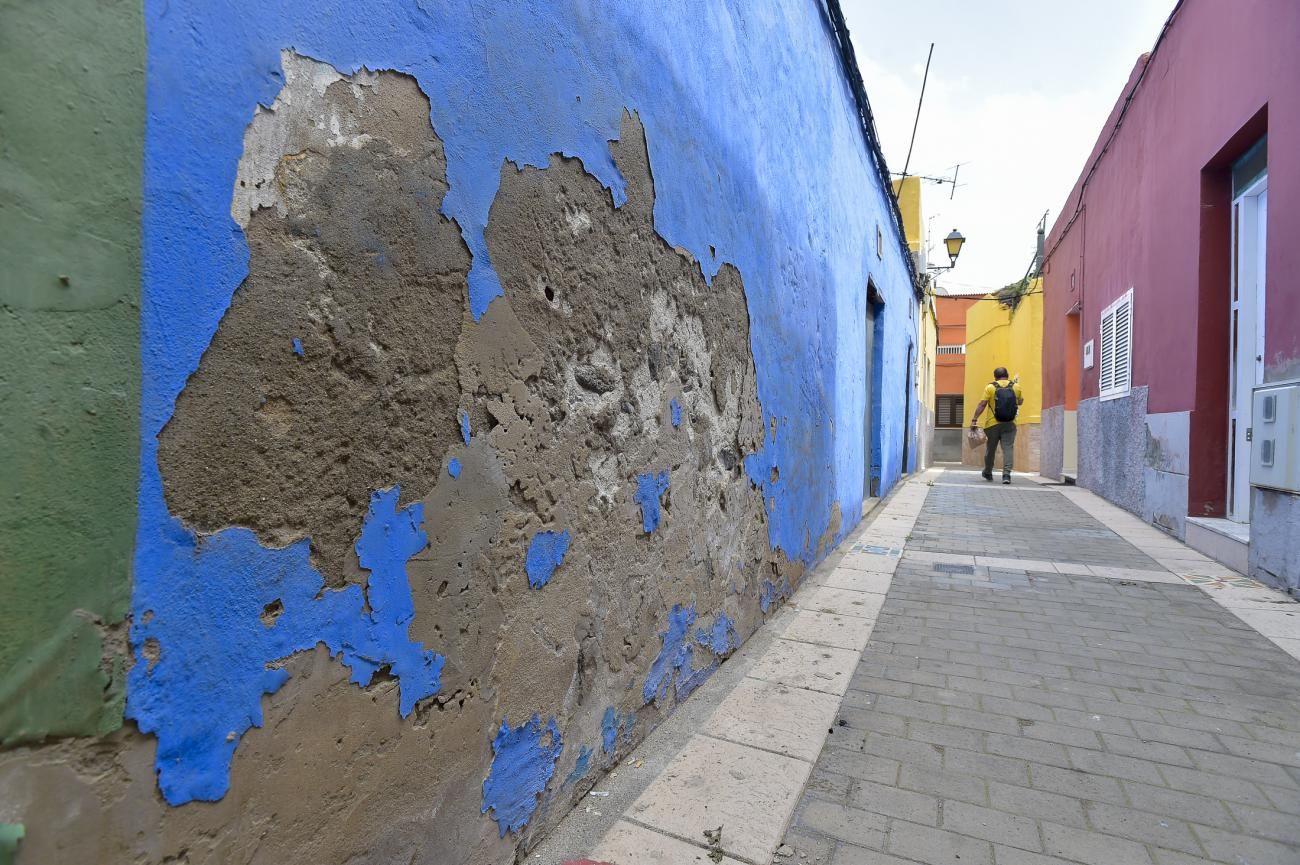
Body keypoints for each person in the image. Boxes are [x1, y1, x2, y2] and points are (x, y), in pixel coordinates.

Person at [969, 367, 1024, 484]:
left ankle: (988, 472)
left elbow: (982, 404)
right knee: (1008, 448)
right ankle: (1006, 475)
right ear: (1007, 375)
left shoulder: (990, 387)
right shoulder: (1016, 387)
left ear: (995, 377)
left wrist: (974, 419)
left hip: (992, 424)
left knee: (991, 449)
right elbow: (1020, 402)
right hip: (1010, 423)